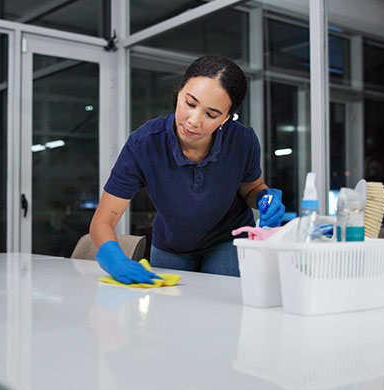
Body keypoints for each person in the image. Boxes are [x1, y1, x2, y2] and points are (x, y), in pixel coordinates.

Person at [89, 55, 285, 284]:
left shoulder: (242, 141)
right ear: (179, 92)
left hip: (226, 240)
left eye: (211, 114)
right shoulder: (145, 143)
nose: (194, 120)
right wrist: (114, 259)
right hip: (172, 244)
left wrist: (264, 197)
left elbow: (251, 189)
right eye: (189, 104)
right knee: (172, 313)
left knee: (224, 310)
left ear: (226, 118)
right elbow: (103, 220)